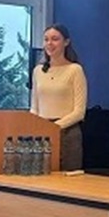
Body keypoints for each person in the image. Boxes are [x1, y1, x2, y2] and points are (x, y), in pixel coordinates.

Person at [30, 24, 88, 170]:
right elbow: (34, 107)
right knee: (41, 174)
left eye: (55, 39)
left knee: (67, 177)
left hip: (68, 133)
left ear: (66, 42)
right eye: (46, 39)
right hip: (42, 132)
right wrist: (35, 127)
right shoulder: (38, 71)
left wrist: (54, 127)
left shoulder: (75, 70)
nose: (50, 43)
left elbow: (79, 112)